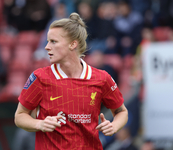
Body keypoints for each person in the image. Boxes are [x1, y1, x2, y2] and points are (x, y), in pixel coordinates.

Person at [14, 12, 128, 150]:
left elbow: (121, 112)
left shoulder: (102, 78)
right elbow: (19, 116)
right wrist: (40, 124)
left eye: (53, 41)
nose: (47, 46)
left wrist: (114, 126)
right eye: (47, 41)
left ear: (72, 44)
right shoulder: (39, 77)